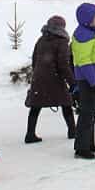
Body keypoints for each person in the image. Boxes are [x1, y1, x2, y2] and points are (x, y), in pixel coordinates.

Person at [24, 15, 75, 144]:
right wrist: (72, 82)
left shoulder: (41, 40)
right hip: (55, 78)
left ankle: (30, 134)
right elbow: (63, 65)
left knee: (35, 106)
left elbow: (34, 59)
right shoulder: (62, 42)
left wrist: (38, 73)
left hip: (39, 78)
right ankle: (73, 131)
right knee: (66, 103)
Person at [71, 3, 95, 160]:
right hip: (88, 80)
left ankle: (89, 143)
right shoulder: (83, 35)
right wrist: (93, 81)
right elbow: (84, 61)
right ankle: (81, 148)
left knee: (91, 113)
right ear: (88, 18)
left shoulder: (93, 31)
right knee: (86, 114)